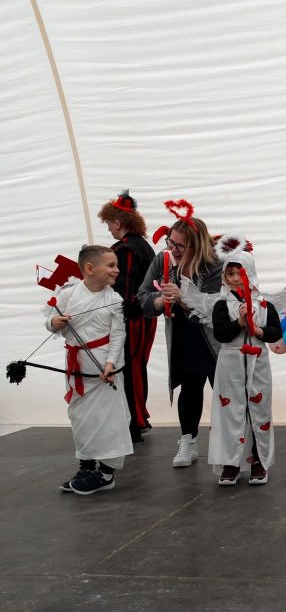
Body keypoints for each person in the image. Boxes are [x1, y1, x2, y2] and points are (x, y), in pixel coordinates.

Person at [138, 205, 222, 468]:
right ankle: (188, 440)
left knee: (225, 392)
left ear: (196, 246)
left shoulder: (215, 265)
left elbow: (214, 306)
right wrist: (159, 301)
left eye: (179, 246)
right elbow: (142, 297)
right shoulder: (162, 260)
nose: (172, 249)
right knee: (189, 388)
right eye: (170, 242)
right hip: (183, 335)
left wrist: (183, 298)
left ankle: (228, 445)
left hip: (214, 339)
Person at [48, 245, 134, 495]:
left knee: (110, 419)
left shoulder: (114, 299)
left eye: (116, 265)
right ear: (89, 269)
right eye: (111, 265)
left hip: (104, 369)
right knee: (81, 418)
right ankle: (86, 468)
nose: (116, 270)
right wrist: (54, 322)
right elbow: (51, 322)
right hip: (77, 367)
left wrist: (111, 364)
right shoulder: (68, 294)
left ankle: (106, 474)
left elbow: (118, 335)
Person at [203, 244, 283, 485]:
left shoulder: (265, 305)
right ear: (224, 276)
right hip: (230, 363)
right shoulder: (221, 304)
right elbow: (221, 334)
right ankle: (231, 462)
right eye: (230, 273)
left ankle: (259, 460)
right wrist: (239, 321)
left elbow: (275, 332)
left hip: (258, 361)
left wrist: (259, 330)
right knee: (230, 412)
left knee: (259, 410)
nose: (236, 279)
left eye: (241, 273)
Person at [97, 190, 157, 444]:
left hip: (132, 317)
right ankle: (138, 416)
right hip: (145, 315)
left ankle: (134, 422)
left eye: (109, 224)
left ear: (117, 222)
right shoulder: (142, 244)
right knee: (137, 365)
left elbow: (123, 288)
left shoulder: (126, 249)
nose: (109, 228)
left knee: (130, 367)